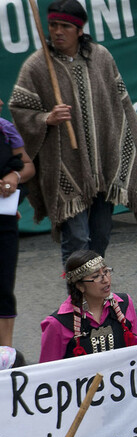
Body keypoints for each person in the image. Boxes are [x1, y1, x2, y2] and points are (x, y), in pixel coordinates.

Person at [9, 0, 137, 264]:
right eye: (53, 25)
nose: (58, 32)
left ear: (79, 29)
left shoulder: (101, 58)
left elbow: (119, 101)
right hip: (65, 170)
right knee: (76, 240)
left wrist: (128, 142)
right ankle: (78, 301)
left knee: (100, 237)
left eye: (65, 26)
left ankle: (94, 294)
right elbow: (19, 109)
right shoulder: (37, 66)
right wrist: (46, 118)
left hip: (103, 165)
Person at [39, 250, 137, 363]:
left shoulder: (123, 304)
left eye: (106, 271)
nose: (106, 280)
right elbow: (48, 371)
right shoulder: (57, 323)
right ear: (80, 286)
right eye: (96, 276)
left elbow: (136, 345)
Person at [0, 97, 35, 349]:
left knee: (3, 285)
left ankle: (5, 354)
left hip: (4, 220)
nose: (0, 102)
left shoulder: (5, 129)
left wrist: (14, 175)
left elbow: (27, 165)